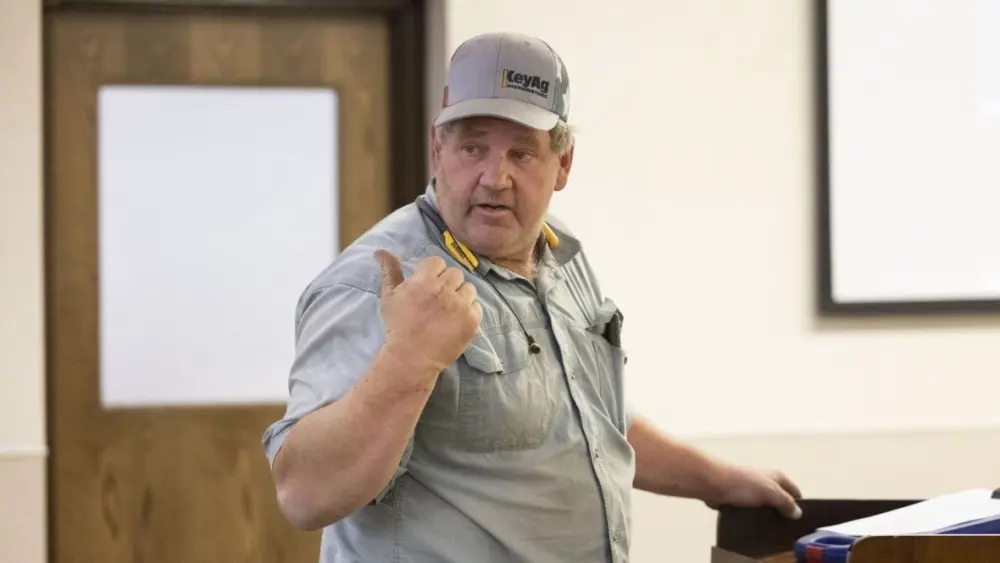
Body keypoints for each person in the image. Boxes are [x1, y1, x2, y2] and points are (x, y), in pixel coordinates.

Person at [262, 31, 802, 563]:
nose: (494, 178)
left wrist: (719, 480)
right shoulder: (380, 282)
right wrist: (410, 359)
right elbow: (305, 493)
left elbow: (586, 417)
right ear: (437, 149)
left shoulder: (560, 254)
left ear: (563, 166)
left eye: (522, 153)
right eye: (473, 147)